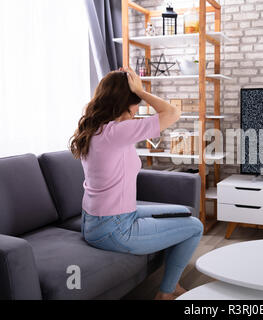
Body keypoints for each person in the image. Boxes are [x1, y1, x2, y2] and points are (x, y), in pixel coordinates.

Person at [69, 67, 203, 300]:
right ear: (126, 101)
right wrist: (142, 91)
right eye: (136, 102)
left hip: (96, 221)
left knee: (183, 211)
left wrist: (136, 94)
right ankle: (167, 292)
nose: (137, 109)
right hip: (115, 228)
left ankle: (172, 282)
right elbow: (172, 113)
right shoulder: (116, 132)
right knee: (195, 226)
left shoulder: (94, 130)